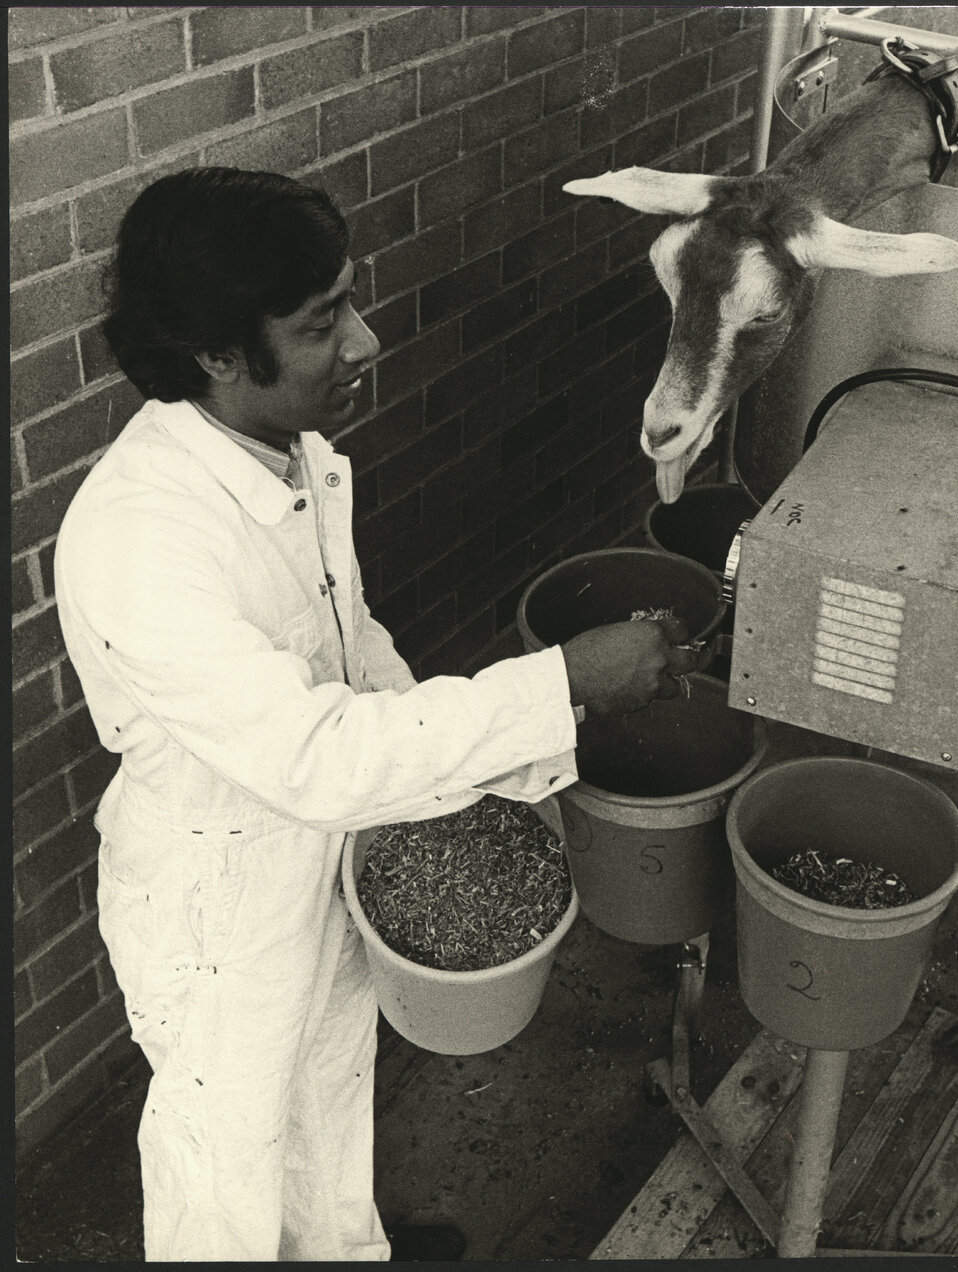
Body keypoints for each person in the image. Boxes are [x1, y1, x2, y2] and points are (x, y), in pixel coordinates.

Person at [53, 167, 704, 1262]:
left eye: (350, 302)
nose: (363, 342)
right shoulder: (141, 538)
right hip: (220, 918)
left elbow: (355, 663)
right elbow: (314, 752)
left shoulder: (289, 456)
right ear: (217, 353)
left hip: (325, 861)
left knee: (327, 1101)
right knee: (226, 1186)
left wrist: (490, 777)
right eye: (322, 323)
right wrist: (563, 688)